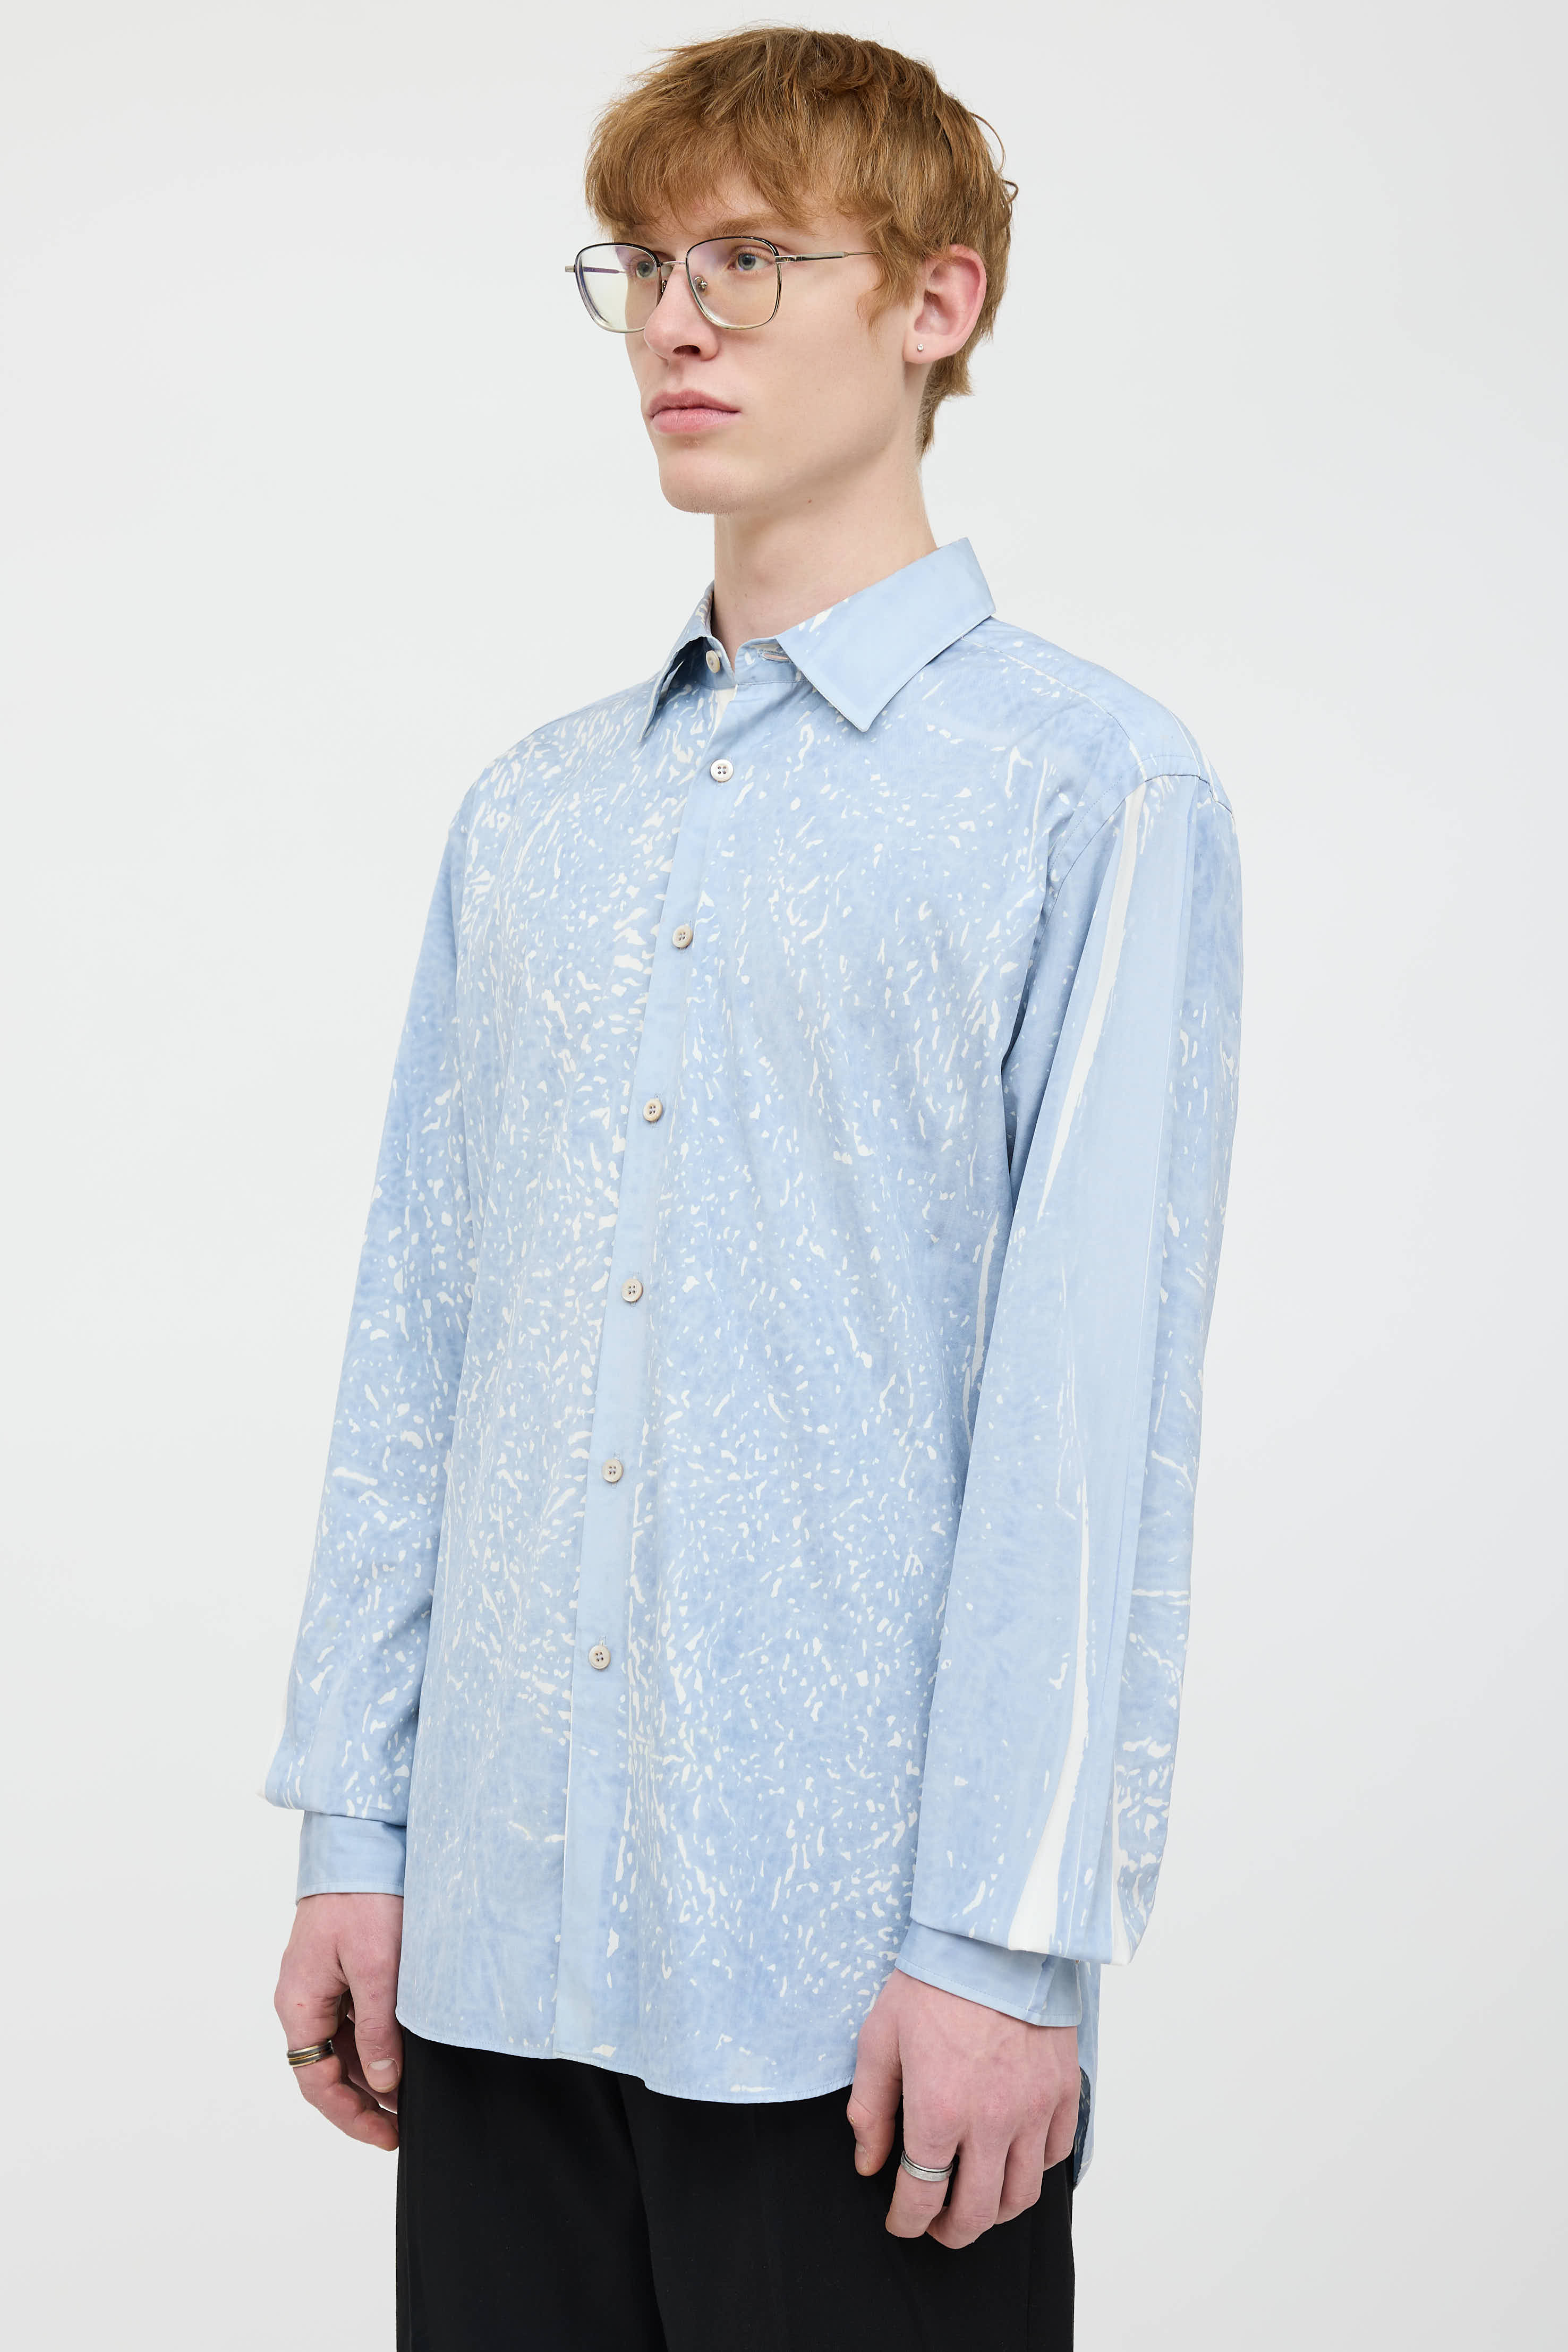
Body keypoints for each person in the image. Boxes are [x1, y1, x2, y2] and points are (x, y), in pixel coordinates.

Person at [267, 26, 1242, 2350]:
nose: (675, 322)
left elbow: (1088, 1416)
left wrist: (1006, 1943)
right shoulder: (533, 813)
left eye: (750, 261)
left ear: (937, 301)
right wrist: (359, 1832)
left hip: (853, 2006)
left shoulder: (1091, 794)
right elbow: (422, 1337)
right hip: (494, 1953)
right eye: (642, 266)